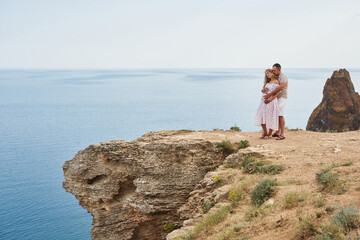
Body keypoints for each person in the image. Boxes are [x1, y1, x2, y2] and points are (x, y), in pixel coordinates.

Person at [264, 63, 288, 140]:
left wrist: (270, 94)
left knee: (280, 115)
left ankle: (282, 134)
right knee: (277, 114)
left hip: (282, 98)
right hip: (276, 98)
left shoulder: (283, 77)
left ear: (279, 70)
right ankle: (277, 132)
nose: (273, 72)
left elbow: (280, 87)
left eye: (274, 70)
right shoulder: (276, 77)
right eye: (272, 70)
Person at [254, 69, 281, 138]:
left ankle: (269, 133)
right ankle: (265, 132)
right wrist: (263, 90)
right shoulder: (268, 82)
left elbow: (277, 92)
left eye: (268, 73)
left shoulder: (276, 82)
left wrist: (270, 100)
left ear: (272, 73)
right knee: (261, 116)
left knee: (270, 117)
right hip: (263, 102)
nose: (267, 75)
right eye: (266, 74)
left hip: (271, 102)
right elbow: (265, 90)